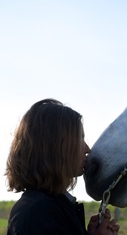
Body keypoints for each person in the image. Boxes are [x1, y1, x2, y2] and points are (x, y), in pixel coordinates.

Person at [5, 98, 120, 235]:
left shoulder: (50, 208)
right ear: (54, 146)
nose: (87, 149)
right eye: (79, 139)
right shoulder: (40, 215)